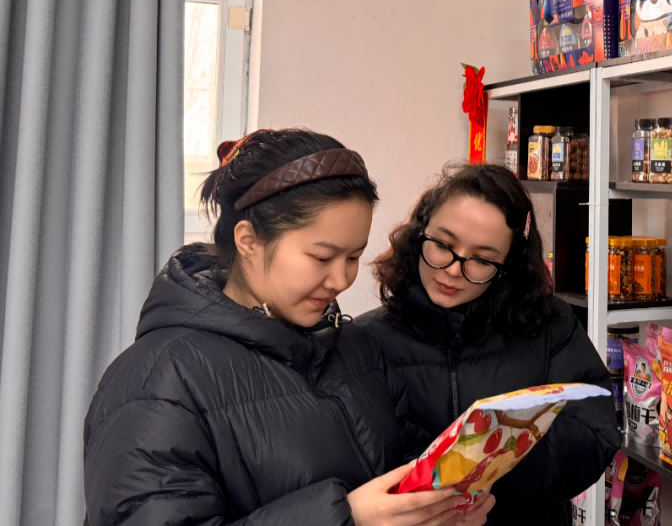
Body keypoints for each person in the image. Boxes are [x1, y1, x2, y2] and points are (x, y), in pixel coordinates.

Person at [84, 129, 493, 526]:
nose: (341, 280)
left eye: (353, 257)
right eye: (322, 257)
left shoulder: (357, 348)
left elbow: (406, 463)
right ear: (248, 241)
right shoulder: (157, 381)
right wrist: (346, 518)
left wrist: (443, 505)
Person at [357, 164, 618, 526]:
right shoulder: (365, 340)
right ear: (419, 233)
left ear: (510, 264)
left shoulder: (549, 325)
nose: (452, 270)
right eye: (442, 245)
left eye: (481, 259)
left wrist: (496, 456)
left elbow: (595, 436)